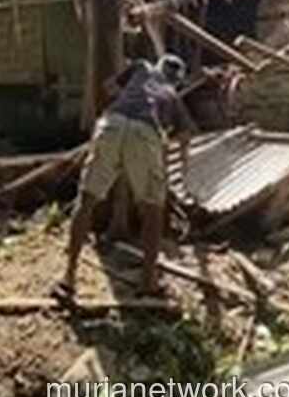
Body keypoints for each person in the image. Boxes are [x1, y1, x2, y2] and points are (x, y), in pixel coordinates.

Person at [56, 54, 196, 301]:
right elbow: (186, 135)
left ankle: (68, 278)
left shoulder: (141, 67)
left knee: (87, 199)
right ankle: (148, 282)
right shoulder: (173, 96)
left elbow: (109, 87)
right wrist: (173, 153)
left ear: (158, 66)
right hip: (146, 132)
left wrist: (125, 93)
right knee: (153, 208)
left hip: (111, 123)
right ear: (177, 81)